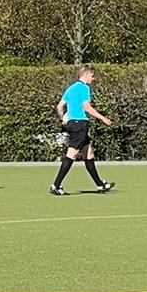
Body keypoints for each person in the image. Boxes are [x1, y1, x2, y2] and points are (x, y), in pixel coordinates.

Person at [51, 67, 115, 196]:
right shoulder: (84, 88)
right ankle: (56, 185)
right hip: (79, 124)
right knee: (72, 154)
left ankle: (100, 184)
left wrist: (63, 118)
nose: (93, 78)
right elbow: (87, 107)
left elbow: (60, 106)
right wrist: (103, 118)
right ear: (86, 75)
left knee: (88, 153)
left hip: (72, 124)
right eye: (92, 75)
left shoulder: (71, 88)